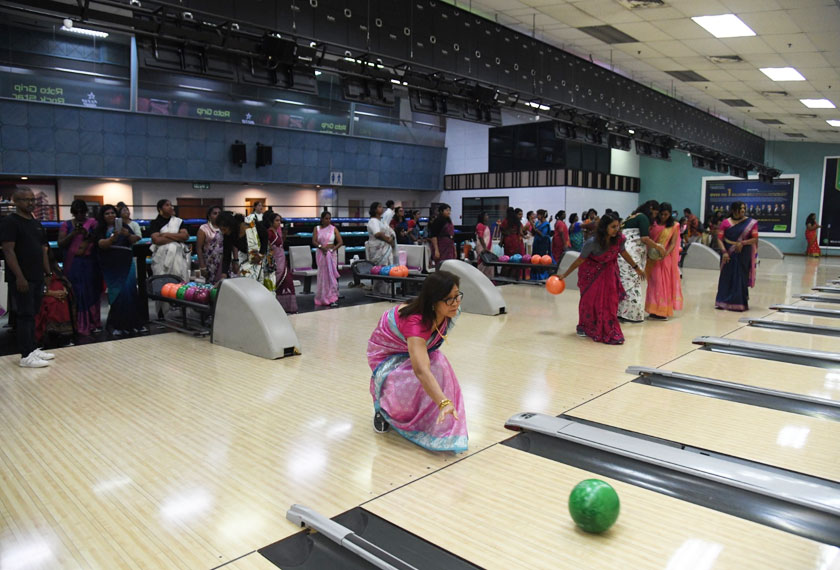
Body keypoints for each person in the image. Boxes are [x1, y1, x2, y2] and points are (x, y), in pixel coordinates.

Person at [367, 270, 467, 452]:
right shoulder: (415, 323)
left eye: (457, 296)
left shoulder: (447, 310)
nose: (456, 303)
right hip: (388, 354)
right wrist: (443, 402)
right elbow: (421, 370)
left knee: (440, 364)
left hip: (414, 347)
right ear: (433, 301)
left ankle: (432, 419)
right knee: (407, 382)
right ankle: (384, 411)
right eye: (449, 299)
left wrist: (441, 400)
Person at [558, 213, 644, 345]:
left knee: (610, 301)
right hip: (591, 273)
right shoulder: (592, 242)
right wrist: (564, 274)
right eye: (613, 227)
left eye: (618, 226)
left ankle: (609, 327)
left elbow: (624, 252)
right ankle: (584, 326)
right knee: (589, 301)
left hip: (609, 273)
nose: (616, 229)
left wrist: (636, 267)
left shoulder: (619, 239)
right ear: (604, 227)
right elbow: (580, 260)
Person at [2, 187, 55, 367]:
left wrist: (47, 273)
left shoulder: (36, 223)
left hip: (37, 276)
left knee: (33, 314)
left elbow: (43, 250)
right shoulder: (10, 222)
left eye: (33, 200)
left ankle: (32, 349)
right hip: (22, 278)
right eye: (26, 200)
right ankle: (25, 355)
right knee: (24, 315)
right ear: (15, 202)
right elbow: (8, 251)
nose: (31, 203)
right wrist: (19, 277)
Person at [95, 204, 144, 337]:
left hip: (127, 263)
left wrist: (127, 234)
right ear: (102, 216)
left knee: (130, 292)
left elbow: (135, 239)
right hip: (112, 266)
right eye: (107, 214)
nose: (111, 215)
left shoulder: (124, 226)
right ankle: (116, 325)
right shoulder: (100, 229)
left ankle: (132, 324)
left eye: (112, 213)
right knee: (117, 294)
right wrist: (112, 239)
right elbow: (100, 244)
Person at [57, 199, 102, 336]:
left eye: (82, 212)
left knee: (90, 291)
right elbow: (61, 243)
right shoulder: (66, 225)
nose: (80, 215)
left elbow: (98, 239)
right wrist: (74, 234)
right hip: (73, 264)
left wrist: (86, 234)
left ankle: (93, 322)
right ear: (73, 213)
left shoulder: (93, 223)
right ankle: (76, 323)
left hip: (90, 263)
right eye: (77, 213)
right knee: (76, 291)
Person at [618, 200, 665, 323]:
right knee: (633, 283)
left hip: (623, 253)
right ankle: (632, 315)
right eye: (655, 213)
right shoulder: (643, 217)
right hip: (631, 254)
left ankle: (621, 312)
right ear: (651, 208)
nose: (654, 217)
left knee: (624, 283)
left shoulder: (631, 217)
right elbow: (644, 238)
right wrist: (657, 246)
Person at [149, 199, 191, 316]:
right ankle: (163, 314)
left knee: (179, 282)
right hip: (162, 259)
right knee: (162, 284)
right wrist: (177, 237)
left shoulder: (178, 221)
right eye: (167, 205)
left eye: (171, 205)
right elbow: (156, 240)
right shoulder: (155, 223)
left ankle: (180, 313)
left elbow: (185, 236)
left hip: (177, 257)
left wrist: (166, 234)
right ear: (160, 209)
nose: (171, 207)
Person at [715, 202, 758, 311]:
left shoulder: (751, 223)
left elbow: (755, 239)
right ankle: (723, 301)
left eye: (744, 208)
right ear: (734, 210)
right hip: (728, 253)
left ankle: (739, 303)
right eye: (740, 208)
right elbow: (719, 239)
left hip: (743, 253)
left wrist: (743, 243)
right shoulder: (726, 222)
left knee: (740, 277)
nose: (743, 210)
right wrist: (724, 252)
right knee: (726, 276)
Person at [646, 202, 684, 320]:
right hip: (652, 257)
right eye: (661, 214)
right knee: (653, 283)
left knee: (663, 284)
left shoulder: (674, 226)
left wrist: (665, 254)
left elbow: (673, 243)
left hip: (665, 258)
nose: (663, 217)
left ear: (670, 214)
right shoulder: (653, 224)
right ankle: (653, 309)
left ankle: (662, 310)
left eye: (666, 214)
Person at [219, 211, 275, 291]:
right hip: (248, 259)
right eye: (221, 230)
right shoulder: (228, 235)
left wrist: (261, 254)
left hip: (264, 255)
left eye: (224, 229)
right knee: (249, 288)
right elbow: (227, 254)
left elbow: (265, 236)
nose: (223, 232)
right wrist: (223, 273)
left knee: (266, 287)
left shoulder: (250, 224)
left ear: (231, 225)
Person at [35, 253, 76, 349]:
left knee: (62, 301)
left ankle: (63, 336)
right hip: (42, 294)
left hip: (58, 292)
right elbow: (34, 287)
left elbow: (63, 279)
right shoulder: (32, 265)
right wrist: (50, 293)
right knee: (51, 302)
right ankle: (46, 337)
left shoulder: (53, 265)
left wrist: (65, 289)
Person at [264, 212, 298, 313]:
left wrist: (285, 231)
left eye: (280, 221)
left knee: (288, 283)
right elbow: (267, 248)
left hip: (282, 263)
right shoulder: (269, 233)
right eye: (277, 221)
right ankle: (277, 308)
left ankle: (286, 307)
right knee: (280, 284)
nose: (279, 223)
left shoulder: (276, 232)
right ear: (271, 222)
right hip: (276, 264)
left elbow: (280, 242)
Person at [312, 210, 343, 308]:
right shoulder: (316, 228)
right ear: (321, 219)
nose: (328, 220)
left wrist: (332, 249)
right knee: (323, 276)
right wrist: (322, 247)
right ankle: (322, 297)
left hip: (331, 254)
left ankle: (333, 298)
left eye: (329, 218)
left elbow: (340, 242)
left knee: (331, 276)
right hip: (321, 254)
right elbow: (314, 241)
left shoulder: (333, 229)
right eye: (326, 218)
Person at [366, 202, 396, 295]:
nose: (381, 208)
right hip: (378, 250)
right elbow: (377, 234)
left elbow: (390, 232)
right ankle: (380, 294)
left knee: (389, 270)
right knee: (381, 270)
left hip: (386, 248)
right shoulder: (373, 221)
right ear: (374, 210)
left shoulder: (382, 221)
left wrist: (392, 238)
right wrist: (388, 240)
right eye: (379, 207)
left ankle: (389, 292)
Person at [197, 206, 223, 285]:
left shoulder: (224, 227)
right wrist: (202, 266)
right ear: (209, 216)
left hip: (223, 261)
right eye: (215, 213)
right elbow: (199, 248)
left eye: (219, 213)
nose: (218, 215)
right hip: (210, 262)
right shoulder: (204, 228)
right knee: (212, 285)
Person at [429, 203, 456, 267]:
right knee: (441, 264)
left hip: (449, 246)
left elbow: (452, 236)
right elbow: (433, 235)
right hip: (441, 246)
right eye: (447, 210)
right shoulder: (438, 221)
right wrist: (436, 250)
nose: (449, 212)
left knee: (450, 265)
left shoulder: (449, 221)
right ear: (441, 211)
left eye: (449, 210)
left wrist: (454, 249)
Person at [531, 209, 552, 280]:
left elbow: (543, 235)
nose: (537, 216)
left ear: (542, 215)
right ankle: (534, 275)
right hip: (536, 243)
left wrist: (536, 230)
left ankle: (541, 276)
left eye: (538, 214)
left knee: (541, 259)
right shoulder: (537, 223)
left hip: (542, 244)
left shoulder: (546, 224)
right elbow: (533, 232)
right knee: (535, 258)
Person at [474, 211, 494, 278]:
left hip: (487, 246)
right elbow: (480, 237)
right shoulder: (480, 225)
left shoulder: (485, 226)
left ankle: (488, 279)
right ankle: (480, 279)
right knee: (483, 262)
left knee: (489, 263)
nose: (487, 217)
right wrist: (485, 248)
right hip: (483, 247)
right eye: (486, 215)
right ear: (482, 217)